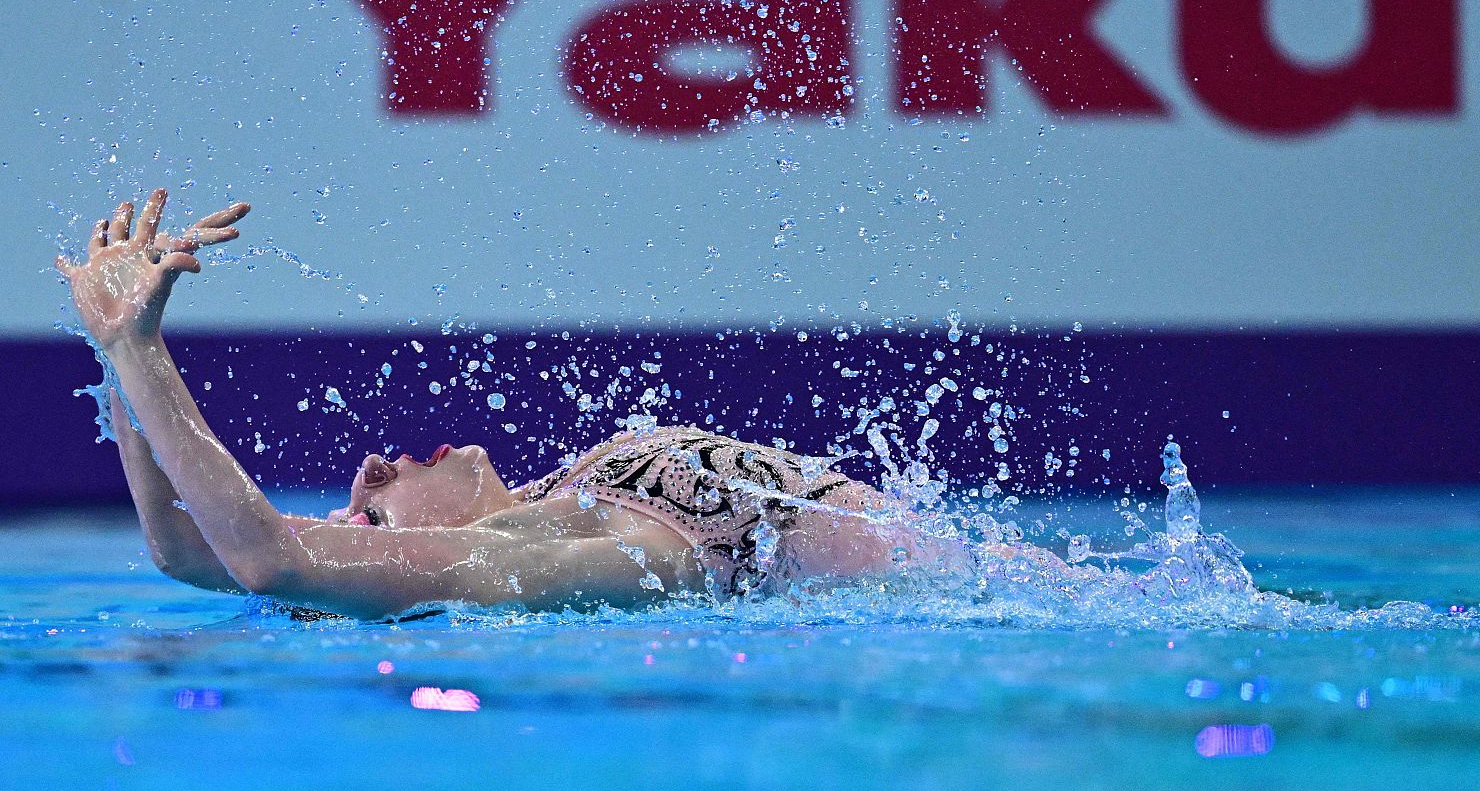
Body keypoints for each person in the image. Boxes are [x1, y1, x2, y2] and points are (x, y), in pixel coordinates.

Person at [55, 189, 975, 620]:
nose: (372, 467)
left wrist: (116, 357)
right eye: (368, 509)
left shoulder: (554, 497)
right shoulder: (521, 561)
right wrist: (136, 349)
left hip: (978, 591)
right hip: (963, 627)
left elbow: (183, 545)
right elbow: (262, 558)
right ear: (398, 550)